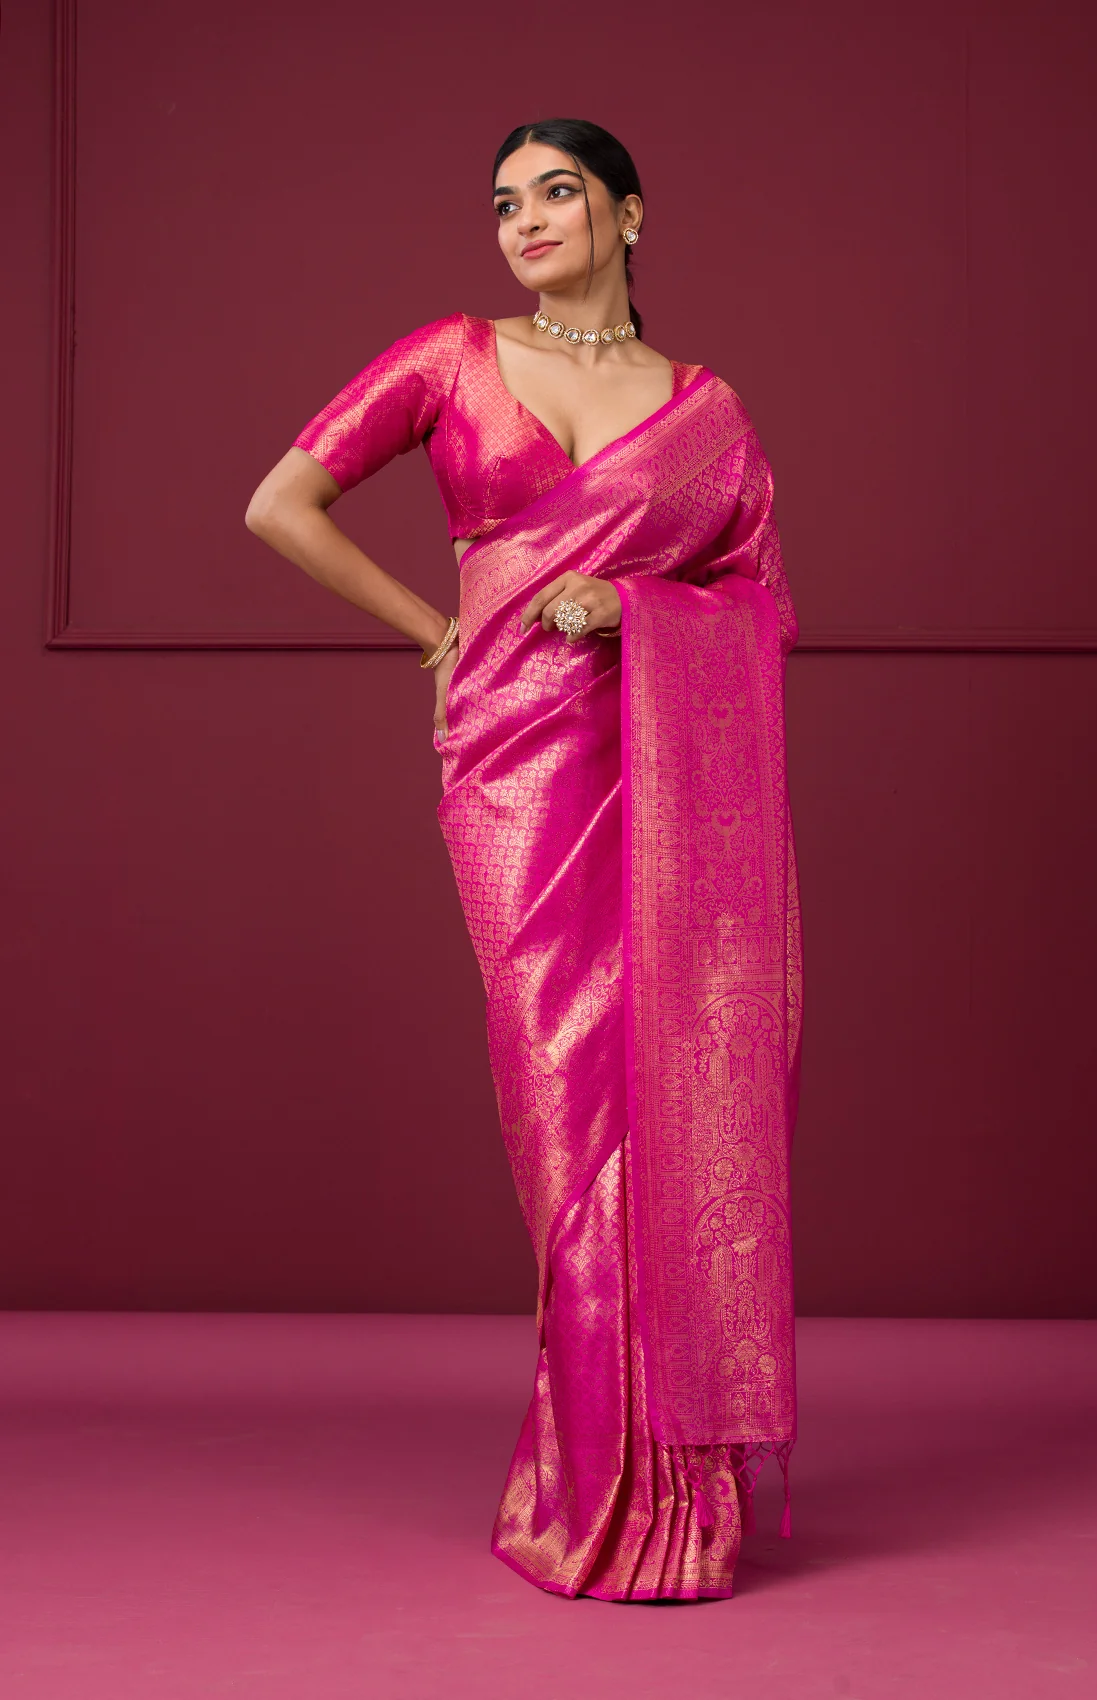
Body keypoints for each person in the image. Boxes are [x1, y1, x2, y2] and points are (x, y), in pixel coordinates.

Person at [246, 118, 803, 1602]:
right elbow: (279, 504)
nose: (526, 221)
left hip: (659, 763)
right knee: (567, 1110)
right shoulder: (452, 357)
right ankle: (592, 1487)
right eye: (505, 204)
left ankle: (674, 1490)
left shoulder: (705, 409)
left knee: (674, 1083)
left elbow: (760, 600)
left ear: (631, 211)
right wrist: (438, 633)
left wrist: (636, 611)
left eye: (557, 192)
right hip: (513, 763)